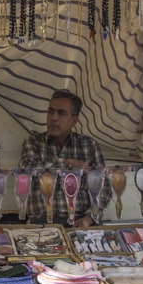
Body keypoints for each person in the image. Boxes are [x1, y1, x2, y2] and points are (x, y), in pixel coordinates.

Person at [19, 90, 112, 227]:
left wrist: (89, 218)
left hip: (80, 220)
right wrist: (67, 164)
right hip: (43, 222)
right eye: (50, 112)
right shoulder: (34, 142)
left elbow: (104, 188)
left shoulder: (88, 145)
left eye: (61, 113)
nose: (53, 118)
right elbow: (27, 169)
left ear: (74, 120)